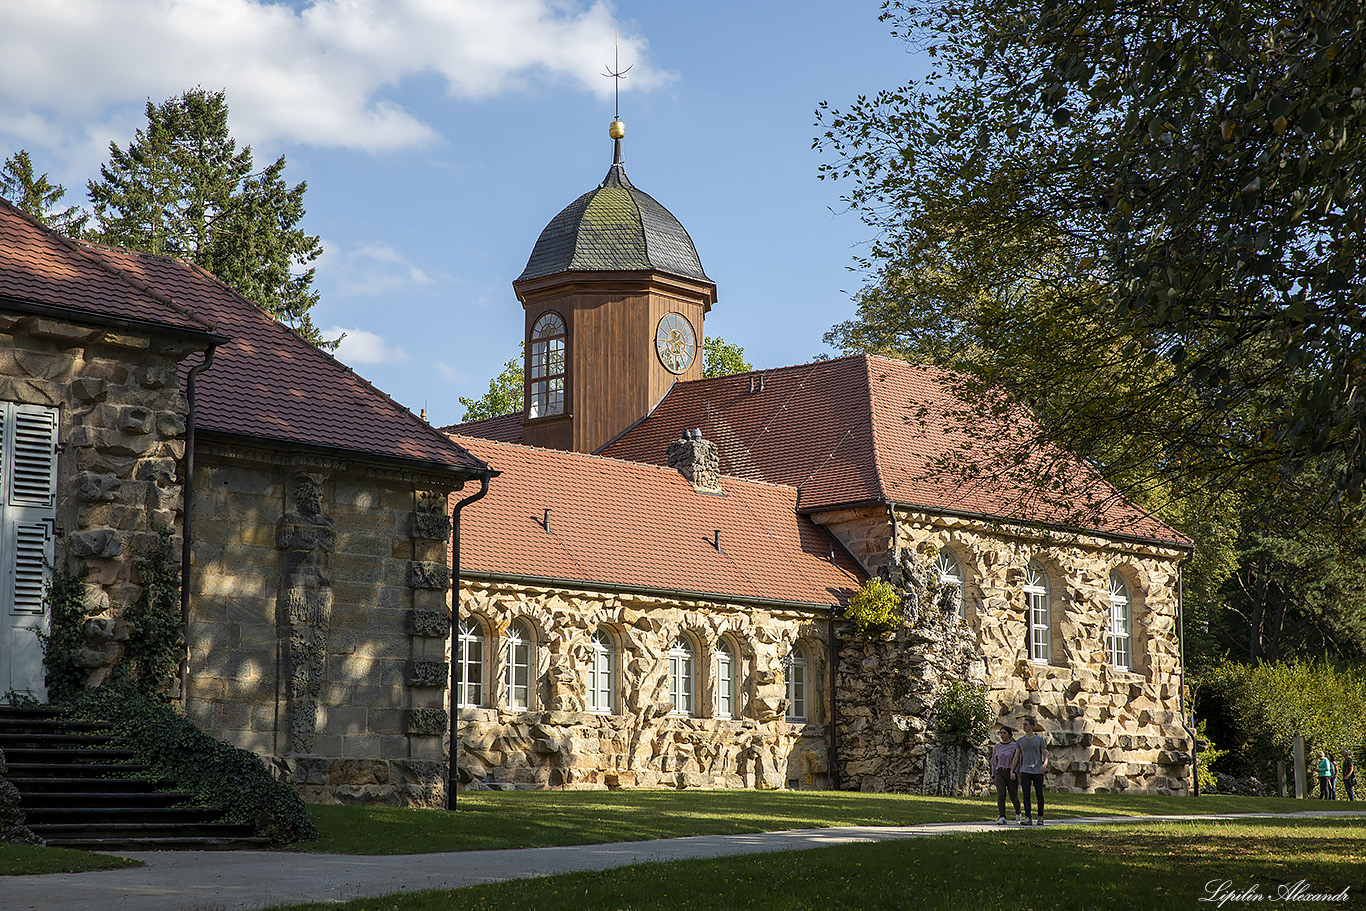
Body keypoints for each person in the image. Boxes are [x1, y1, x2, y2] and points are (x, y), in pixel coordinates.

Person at [1013, 716, 1048, 825]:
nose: (1024, 726)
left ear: (1032, 726)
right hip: (1025, 771)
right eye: (1023, 724)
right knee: (1026, 795)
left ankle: (1040, 817)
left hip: (1037, 771)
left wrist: (1045, 764)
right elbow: (1016, 757)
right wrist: (1012, 770)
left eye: (1026, 724)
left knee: (1039, 795)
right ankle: (1028, 817)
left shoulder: (1039, 739)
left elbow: (1045, 754)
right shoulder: (1020, 741)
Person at [991, 726, 1022, 824]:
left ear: (1009, 735)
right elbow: (994, 761)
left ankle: (1018, 812)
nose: (1002, 735)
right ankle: (1002, 816)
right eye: (1000, 733)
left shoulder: (1014, 746)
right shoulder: (997, 747)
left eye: (1004, 733)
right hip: (1000, 772)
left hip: (1010, 771)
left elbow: (1018, 760)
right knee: (1001, 794)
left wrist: (1015, 772)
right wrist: (993, 775)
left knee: (1013, 796)